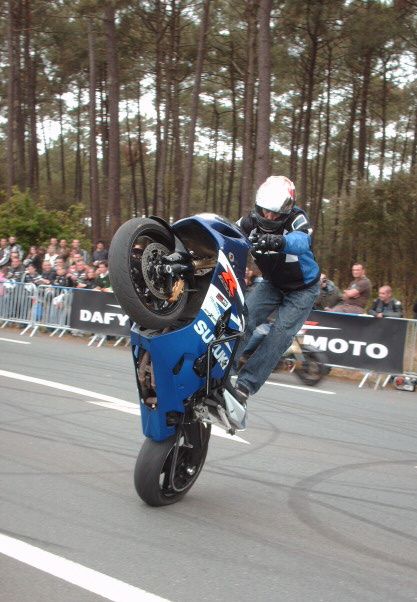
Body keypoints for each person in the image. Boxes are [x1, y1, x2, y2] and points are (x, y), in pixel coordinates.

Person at [230, 175, 320, 404]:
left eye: (276, 213)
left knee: (280, 335)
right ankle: (221, 372)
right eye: (265, 211)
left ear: (287, 209)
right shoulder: (248, 222)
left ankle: (245, 385)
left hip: (302, 289)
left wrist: (279, 241)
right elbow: (226, 238)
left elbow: (302, 241)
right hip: (272, 284)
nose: (269, 216)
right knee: (242, 320)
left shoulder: (297, 218)